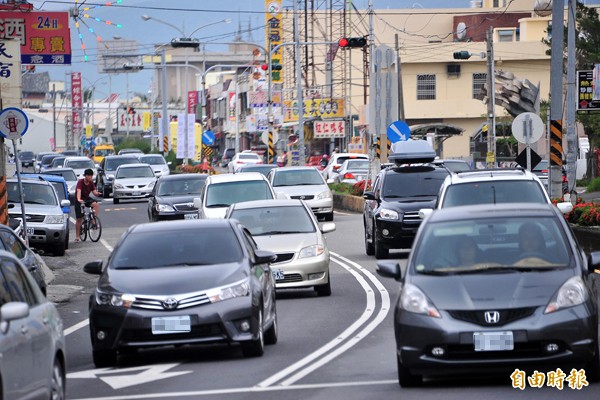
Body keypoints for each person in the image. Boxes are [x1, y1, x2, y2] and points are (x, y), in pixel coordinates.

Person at [75, 168, 101, 242]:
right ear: (85, 176)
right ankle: (77, 236)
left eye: (91, 176)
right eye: (88, 175)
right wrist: (79, 199)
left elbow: (94, 192)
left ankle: (94, 221)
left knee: (95, 204)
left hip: (86, 198)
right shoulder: (80, 182)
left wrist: (97, 193)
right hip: (79, 199)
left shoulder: (91, 182)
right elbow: (78, 191)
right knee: (79, 218)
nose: (90, 177)